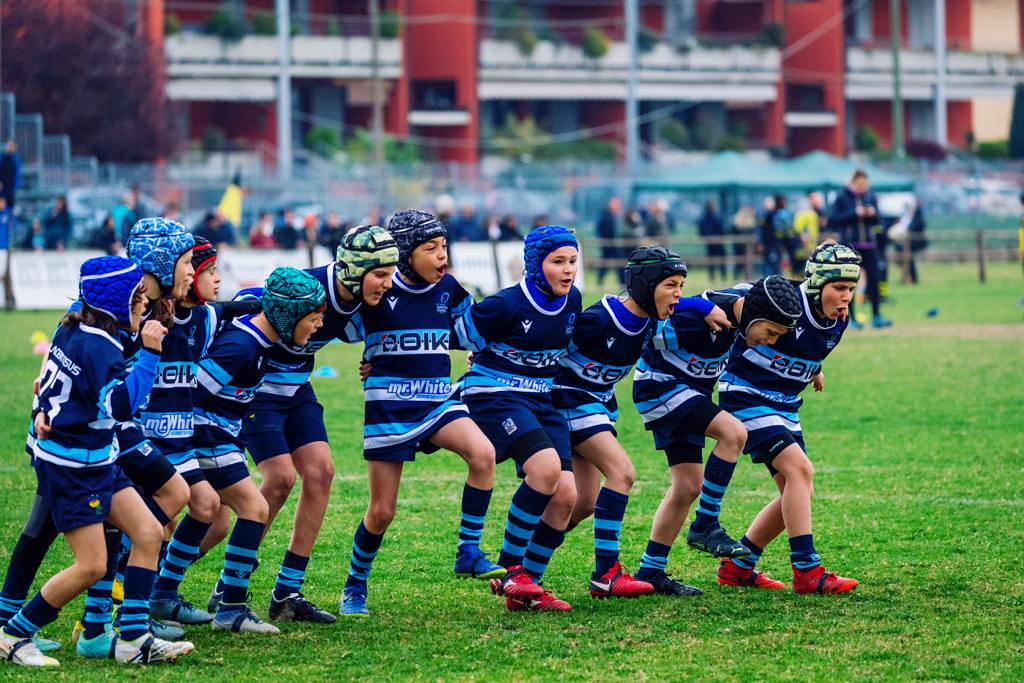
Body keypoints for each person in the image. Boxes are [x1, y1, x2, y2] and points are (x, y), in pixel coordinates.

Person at [0, 256, 193, 667]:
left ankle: (133, 639)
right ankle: (12, 633)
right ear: (118, 300)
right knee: (91, 566)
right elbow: (122, 405)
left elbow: (47, 385)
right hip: (74, 467)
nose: (143, 303)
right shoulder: (101, 346)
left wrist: (39, 411)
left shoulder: (75, 325)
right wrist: (151, 353)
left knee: (147, 532)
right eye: (138, 296)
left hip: (99, 460)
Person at [213, 225, 402, 625]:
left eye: (391, 274)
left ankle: (287, 592)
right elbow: (249, 309)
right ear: (353, 270)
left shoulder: (370, 301)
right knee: (280, 479)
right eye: (381, 274)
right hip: (259, 392)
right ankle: (231, 581)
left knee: (321, 472)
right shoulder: (308, 287)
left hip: (298, 392)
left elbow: (395, 335)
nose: (389, 284)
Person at [339, 211, 503, 618]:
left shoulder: (447, 288)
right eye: (430, 249)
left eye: (444, 247)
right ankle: (355, 583)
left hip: (437, 401)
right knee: (382, 512)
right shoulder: (377, 290)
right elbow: (340, 327)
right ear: (405, 254)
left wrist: (478, 352)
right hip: (389, 409)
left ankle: (468, 550)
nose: (441, 256)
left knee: (483, 455)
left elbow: (472, 332)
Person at [557, 247, 723, 599]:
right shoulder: (600, 320)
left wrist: (705, 306)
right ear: (646, 287)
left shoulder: (651, 319)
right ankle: (606, 574)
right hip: (568, 402)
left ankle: (521, 562)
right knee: (622, 473)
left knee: (584, 502)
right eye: (671, 285)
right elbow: (548, 340)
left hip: (597, 407)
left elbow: (688, 303)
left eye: (682, 284)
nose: (678, 293)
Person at [632, 275, 802, 595]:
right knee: (733, 433)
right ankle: (705, 525)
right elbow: (648, 308)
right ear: (757, 317)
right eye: (770, 333)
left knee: (687, 486)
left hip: (690, 393)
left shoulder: (745, 302)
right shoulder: (698, 323)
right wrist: (697, 305)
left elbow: (769, 285)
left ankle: (651, 571)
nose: (772, 341)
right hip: (661, 388)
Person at [717, 242, 861, 594]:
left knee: (797, 491)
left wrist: (813, 370)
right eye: (838, 288)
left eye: (851, 290)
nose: (845, 297)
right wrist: (700, 308)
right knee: (801, 471)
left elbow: (807, 347)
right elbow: (722, 297)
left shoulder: (838, 318)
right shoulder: (783, 298)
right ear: (815, 283)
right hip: (745, 394)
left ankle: (739, 565)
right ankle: (808, 571)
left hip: (784, 403)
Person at [455, 226, 582, 612]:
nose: (568, 270)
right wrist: (376, 360)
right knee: (543, 471)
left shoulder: (573, 301)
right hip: (495, 394)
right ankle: (512, 573)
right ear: (534, 264)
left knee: (565, 496)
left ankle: (530, 590)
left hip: (544, 399)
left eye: (573, 261)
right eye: (557, 261)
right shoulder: (506, 305)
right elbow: (452, 335)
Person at [193, 267, 326, 634]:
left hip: (222, 438)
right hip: (208, 439)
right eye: (314, 319)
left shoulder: (262, 342)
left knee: (215, 523)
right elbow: (193, 392)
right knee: (251, 509)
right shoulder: (242, 346)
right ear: (289, 316)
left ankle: (158, 593)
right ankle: (224, 606)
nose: (318, 328)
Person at [828, 170, 891, 328]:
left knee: (875, 279)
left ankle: (876, 316)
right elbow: (834, 219)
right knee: (850, 283)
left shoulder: (870, 196)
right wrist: (854, 213)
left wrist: (873, 214)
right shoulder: (842, 197)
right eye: (860, 185)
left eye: (865, 185)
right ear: (853, 182)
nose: (863, 188)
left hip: (870, 245)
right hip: (850, 246)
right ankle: (850, 319)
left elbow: (879, 221)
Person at [595, 197, 623, 287]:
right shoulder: (606, 215)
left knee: (614, 262)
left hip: (611, 242)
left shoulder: (609, 215)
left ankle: (621, 281)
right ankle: (621, 282)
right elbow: (601, 228)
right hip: (608, 243)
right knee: (612, 262)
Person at [698, 200, 727, 281]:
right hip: (717, 242)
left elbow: (701, 230)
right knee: (719, 260)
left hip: (711, 242)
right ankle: (721, 276)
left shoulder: (704, 217)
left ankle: (714, 276)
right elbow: (722, 230)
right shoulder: (716, 217)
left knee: (714, 260)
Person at [773, 194, 801, 276]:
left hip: (789, 242)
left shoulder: (783, 212)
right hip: (781, 242)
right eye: (782, 200)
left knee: (790, 262)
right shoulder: (777, 213)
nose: (784, 202)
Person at [756, 196, 780, 276]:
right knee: (769, 266)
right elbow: (760, 230)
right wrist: (760, 243)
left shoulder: (774, 215)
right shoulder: (764, 216)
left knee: (773, 266)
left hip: (773, 245)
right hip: (769, 245)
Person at [0, 140, 21, 211]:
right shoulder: (1, 157)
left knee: (11, 207)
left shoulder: (16, 159)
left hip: (10, 188)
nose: (10, 148)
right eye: (9, 146)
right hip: (2, 187)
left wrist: (14, 187)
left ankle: (10, 220)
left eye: (12, 146)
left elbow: (17, 174)